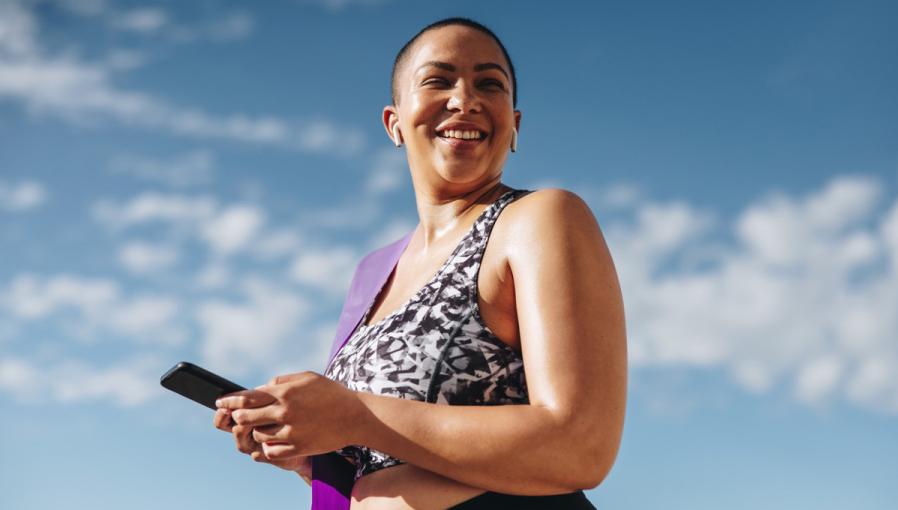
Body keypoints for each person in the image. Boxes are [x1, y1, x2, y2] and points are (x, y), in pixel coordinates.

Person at [213, 17, 627, 510]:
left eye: (489, 84)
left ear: (514, 126)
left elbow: (579, 446)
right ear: (395, 123)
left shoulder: (537, 218)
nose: (465, 100)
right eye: (438, 80)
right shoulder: (373, 271)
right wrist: (310, 449)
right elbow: (386, 459)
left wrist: (354, 414)